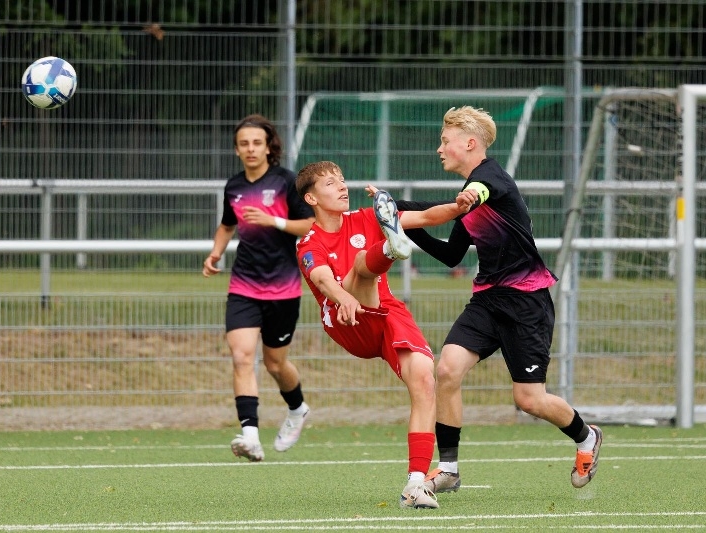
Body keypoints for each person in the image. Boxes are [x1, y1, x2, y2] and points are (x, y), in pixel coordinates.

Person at [395, 106, 603, 494]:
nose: (439, 148)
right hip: (488, 299)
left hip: (526, 302)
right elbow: (451, 255)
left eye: (445, 141)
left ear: (469, 143)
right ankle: (449, 470)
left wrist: (454, 200)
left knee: (529, 399)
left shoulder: (490, 180)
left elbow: (481, 191)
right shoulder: (469, 195)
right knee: (447, 370)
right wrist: (401, 216)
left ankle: (587, 436)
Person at [294, 160, 475, 509]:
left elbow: (427, 217)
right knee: (362, 264)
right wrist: (344, 298)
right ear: (311, 198)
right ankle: (390, 249)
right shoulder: (309, 242)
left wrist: (458, 206)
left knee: (424, 377)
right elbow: (322, 279)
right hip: (347, 318)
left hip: (387, 310)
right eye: (330, 183)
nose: (342, 186)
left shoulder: (366, 217)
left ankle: (415, 484)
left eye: (342, 180)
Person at [203, 114, 315, 462]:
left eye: (256, 142)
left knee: (275, 364)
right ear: (237, 150)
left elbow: (310, 224)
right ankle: (250, 436)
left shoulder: (286, 182)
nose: (250, 149)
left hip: (283, 288)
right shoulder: (234, 186)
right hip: (243, 285)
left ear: (268, 147)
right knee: (241, 356)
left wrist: (273, 220)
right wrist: (215, 253)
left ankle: (297, 409)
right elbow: (227, 225)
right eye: (244, 144)